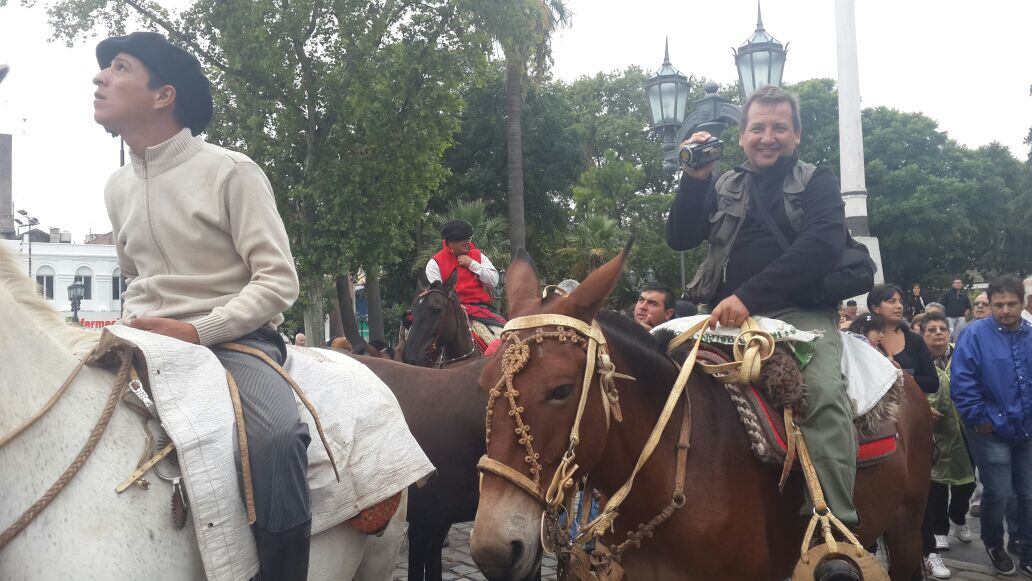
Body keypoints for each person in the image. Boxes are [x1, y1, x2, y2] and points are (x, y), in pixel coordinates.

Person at [93, 32, 310, 578]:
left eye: (118, 67)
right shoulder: (116, 186)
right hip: (138, 337)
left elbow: (279, 282)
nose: (100, 78)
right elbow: (134, 275)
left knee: (278, 438)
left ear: (162, 95)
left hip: (234, 341)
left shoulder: (231, 170)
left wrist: (198, 330)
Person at [666, 85, 860, 529]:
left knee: (822, 395)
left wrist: (747, 297)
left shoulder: (818, 180)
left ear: (796, 135)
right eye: (758, 128)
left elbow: (821, 245)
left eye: (779, 128)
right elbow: (679, 237)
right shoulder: (724, 182)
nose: (767, 136)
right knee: (655, 378)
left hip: (799, 315)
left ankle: (832, 526)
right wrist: (694, 179)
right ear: (741, 136)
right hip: (722, 317)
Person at [951, 275, 1032, 576]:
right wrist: (980, 421)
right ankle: (994, 543)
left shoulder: (1030, 335)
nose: (1006, 310)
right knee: (997, 492)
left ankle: (1027, 548)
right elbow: (962, 383)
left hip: (1026, 429)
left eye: (1012, 304)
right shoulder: (974, 335)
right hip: (989, 430)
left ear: (1022, 304)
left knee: (1027, 494)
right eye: (999, 304)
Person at [919, 312, 976, 578]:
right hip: (935, 433)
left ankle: (959, 516)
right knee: (938, 484)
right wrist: (923, 410)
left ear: (950, 333)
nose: (939, 333)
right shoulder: (920, 363)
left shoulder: (962, 355)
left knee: (967, 482)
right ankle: (940, 531)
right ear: (923, 335)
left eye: (943, 328)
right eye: (932, 329)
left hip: (967, 427)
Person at [867, 285, 938, 394]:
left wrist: (906, 378)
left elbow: (933, 384)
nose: (899, 306)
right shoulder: (864, 342)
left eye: (900, 301)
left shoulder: (915, 340)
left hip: (912, 407)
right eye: (892, 301)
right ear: (876, 308)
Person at [425, 219, 499, 304]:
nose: (467, 242)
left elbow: (494, 281)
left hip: (480, 307)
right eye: (463, 239)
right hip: (450, 309)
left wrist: (472, 264)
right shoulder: (435, 263)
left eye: (468, 238)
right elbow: (437, 293)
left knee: (500, 318)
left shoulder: (478, 255)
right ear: (450, 241)